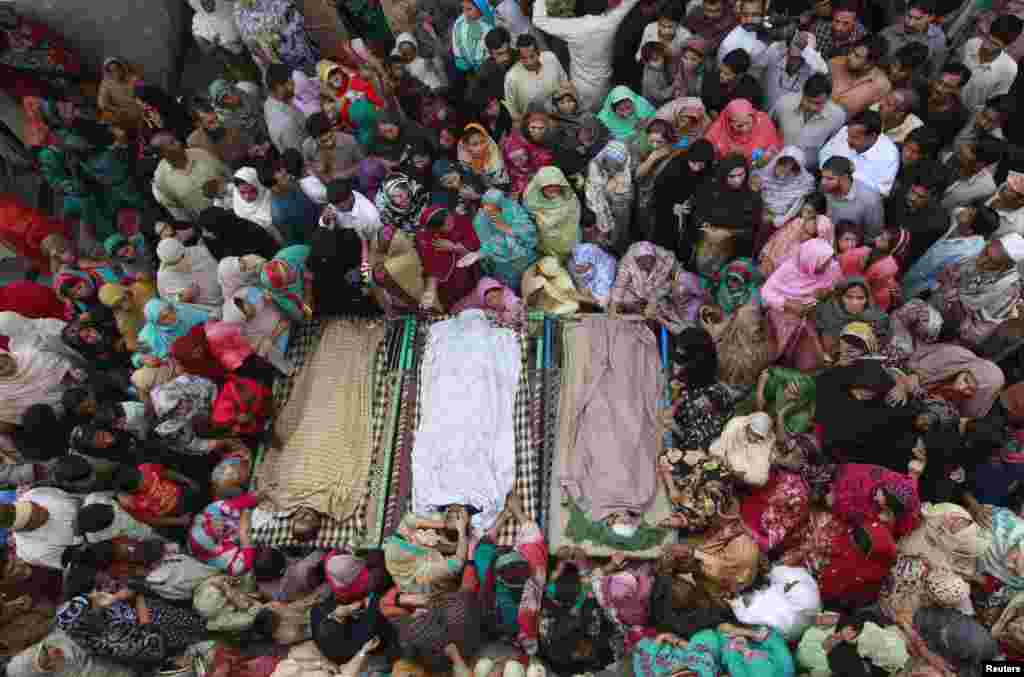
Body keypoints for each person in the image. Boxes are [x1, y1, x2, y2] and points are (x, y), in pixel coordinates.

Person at [531, 0, 644, 111]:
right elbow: (628, 3)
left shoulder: (572, 27)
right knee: (602, 111)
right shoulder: (610, 21)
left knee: (581, 114)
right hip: (603, 83)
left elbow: (538, 20)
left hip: (579, 84)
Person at [931, 233, 1024, 348]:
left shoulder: (1007, 290)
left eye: (991, 261)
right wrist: (949, 278)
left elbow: (969, 334)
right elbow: (948, 275)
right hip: (938, 311)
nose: (981, 261)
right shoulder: (980, 256)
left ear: (1006, 267)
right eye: (985, 253)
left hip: (952, 339)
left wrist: (950, 290)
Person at [761, 237, 841, 370]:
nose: (828, 266)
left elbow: (836, 286)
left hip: (813, 315)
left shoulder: (832, 268)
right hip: (784, 314)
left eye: (828, 261)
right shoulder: (789, 269)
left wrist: (824, 293)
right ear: (809, 261)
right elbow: (766, 292)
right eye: (823, 263)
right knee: (778, 345)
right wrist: (789, 305)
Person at [610, 242, 706, 333]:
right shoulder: (628, 264)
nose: (647, 266)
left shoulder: (668, 262)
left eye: (650, 262)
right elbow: (620, 285)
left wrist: (655, 300)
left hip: (666, 295)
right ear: (636, 260)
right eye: (643, 264)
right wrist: (615, 304)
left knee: (679, 321)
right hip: (653, 298)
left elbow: (674, 280)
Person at [770, 73, 847, 173]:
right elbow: (769, 127)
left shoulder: (838, 116)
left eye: (818, 103)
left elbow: (832, 146)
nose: (812, 107)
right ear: (803, 92)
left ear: (828, 98)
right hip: (776, 165)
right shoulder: (784, 103)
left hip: (808, 172)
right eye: (808, 101)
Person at [819, 110, 900, 197]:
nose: (848, 140)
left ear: (872, 136)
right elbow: (824, 154)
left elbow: (880, 192)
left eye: (854, 137)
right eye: (848, 135)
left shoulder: (890, 155)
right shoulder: (844, 131)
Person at [471, 189, 538, 290]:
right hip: (505, 266)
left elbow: (529, 229)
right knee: (514, 290)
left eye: (495, 208)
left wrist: (510, 230)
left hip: (527, 257)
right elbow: (489, 245)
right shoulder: (480, 221)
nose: (490, 211)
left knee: (537, 283)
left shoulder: (513, 208)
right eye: (486, 207)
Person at [151, 139, 228, 222]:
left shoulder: (200, 153)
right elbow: (175, 209)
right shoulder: (161, 178)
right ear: (163, 153)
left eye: (176, 140)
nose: (179, 143)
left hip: (230, 208)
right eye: (172, 143)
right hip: (208, 224)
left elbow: (225, 172)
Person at [759, 192, 833, 276]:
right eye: (804, 210)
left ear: (818, 213)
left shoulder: (820, 226)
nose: (804, 215)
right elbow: (777, 243)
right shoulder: (796, 222)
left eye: (809, 212)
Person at [960, 15, 1022, 114]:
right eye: (988, 39)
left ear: (1006, 46)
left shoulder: (1009, 69)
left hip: (971, 114)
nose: (987, 46)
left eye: (995, 44)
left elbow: (995, 101)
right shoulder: (972, 44)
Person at [504, 34, 569, 124]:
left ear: (538, 52)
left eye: (532, 56)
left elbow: (565, 84)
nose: (529, 62)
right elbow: (512, 112)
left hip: (561, 118)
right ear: (519, 57)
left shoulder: (551, 58)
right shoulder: (511, 77)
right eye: (523, 58)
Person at [758, 32, 830, 112]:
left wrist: (808, 50)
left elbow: (824, 71)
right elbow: (757, 62)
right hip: (762, 113)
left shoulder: (811, 70)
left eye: (799, 58)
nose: (794, 61)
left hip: (785, 119)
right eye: (791, 56)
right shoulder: (775, 54)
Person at [819, 156, 885, 238]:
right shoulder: (826, 189)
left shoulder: (870, 199)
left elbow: (874, 236)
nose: (823, 182)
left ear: (845, 178)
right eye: (823, 177)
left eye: (830, 179)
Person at [522, 166, 581, 259]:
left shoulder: (569, 198)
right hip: (545, 240)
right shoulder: (531, 199)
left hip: (567, 235)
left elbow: (573, 218)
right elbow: (528, 217)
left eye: (556, 184)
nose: (553, 188)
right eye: (548, 186)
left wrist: (548, 220)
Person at [880, 0, 948, 77]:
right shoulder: (890, 30)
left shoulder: (938, 39)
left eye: (917, 18)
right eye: (909, 16)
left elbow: (934, 69)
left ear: (930, 18)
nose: (910, 23)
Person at [702, 98, 782, 163]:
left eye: (748, 123)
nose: (745, 129)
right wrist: (727, 156)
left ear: (753, 117)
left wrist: (767, 156)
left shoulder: (763, 122)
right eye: (739, 126)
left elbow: (774, 146)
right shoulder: (718, 129)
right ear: (728, 121)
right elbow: (705, 150)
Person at [829, 35, 892, 116]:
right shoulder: (835, 63)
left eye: (857, 56)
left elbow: (872, 117)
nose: (849, 56)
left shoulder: (882, 86)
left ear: (870, 63)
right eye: (851, 51)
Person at [915, 62, 972, 148]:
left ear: (957, 90)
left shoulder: (958, 116)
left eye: (947, 86)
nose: (939, 88)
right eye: (939, 81)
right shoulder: (921, 90)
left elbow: (941, 144)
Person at [701, 48, 763, 116]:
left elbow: (752, 113)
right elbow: (705, 101)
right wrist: (710, 110)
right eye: (721, 70)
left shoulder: (752, 89)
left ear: (740, 75)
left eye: (727, 74)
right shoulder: (711, 78)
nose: (721, 75)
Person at [264, 63, 308, 155]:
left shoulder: (269, 102)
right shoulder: (287, 124)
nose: (294, 84)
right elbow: (301, 155)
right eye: (290, 82)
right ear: (278, 87)